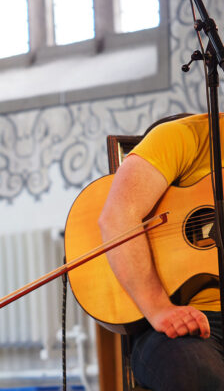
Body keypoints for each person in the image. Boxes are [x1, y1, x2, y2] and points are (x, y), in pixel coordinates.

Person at [98, 113, 224, 390]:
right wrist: (158, 308)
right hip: (189, 322)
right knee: (195, 376)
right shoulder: (186, 135)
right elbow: (117, 217)